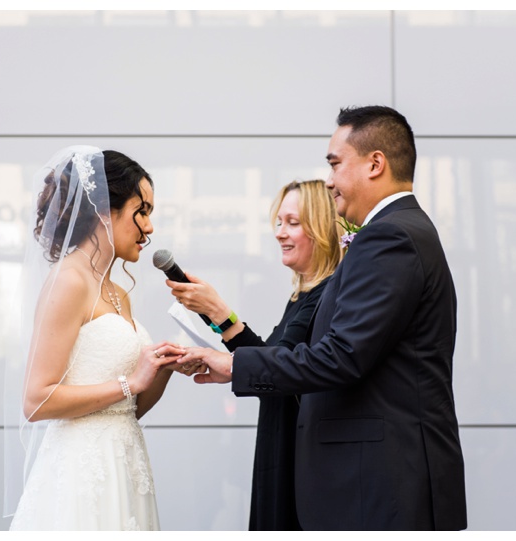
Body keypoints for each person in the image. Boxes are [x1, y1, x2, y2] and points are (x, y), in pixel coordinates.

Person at [178, 106, 467, 530]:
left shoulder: (389, 237)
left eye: (334, 163)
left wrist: (234, 363)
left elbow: (342, 355)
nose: (329, 179)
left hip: (378, 486)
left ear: (375, 163)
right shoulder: (400, 231)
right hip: (378, 483)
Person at [5, 146, 190, 530]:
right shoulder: (68, 281)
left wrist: (163, 370)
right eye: (143, 212)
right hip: (80, 471)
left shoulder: (118, 292)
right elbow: (37, 401)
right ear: (105, 211)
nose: (150, 228)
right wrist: (130, 382)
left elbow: (130, 408)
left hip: (125, 466)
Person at [166, 179, 341, 530]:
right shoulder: (301, 296)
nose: (280, 232)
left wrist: (220, 315)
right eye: (278, 222)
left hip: (302, 457)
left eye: (293, 222)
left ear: (322, 228)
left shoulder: (329, 295)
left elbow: (283, 369)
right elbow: (270, 360)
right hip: (280, 444)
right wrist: (218, 317)